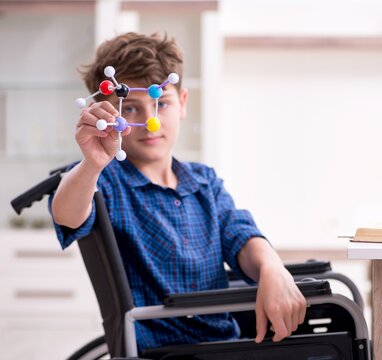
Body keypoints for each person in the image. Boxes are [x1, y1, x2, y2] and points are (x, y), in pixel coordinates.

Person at [49, 32, 306, 352]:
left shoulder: (204, 182)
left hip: (225, 343)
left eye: (162, 103)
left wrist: (272, 267)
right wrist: (91, 165)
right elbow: (68, 215)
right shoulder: (107, 179)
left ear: (182, 103)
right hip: (166, 350)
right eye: (129, 109)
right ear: (107, 114)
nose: (149, 121)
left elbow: (240, 236)